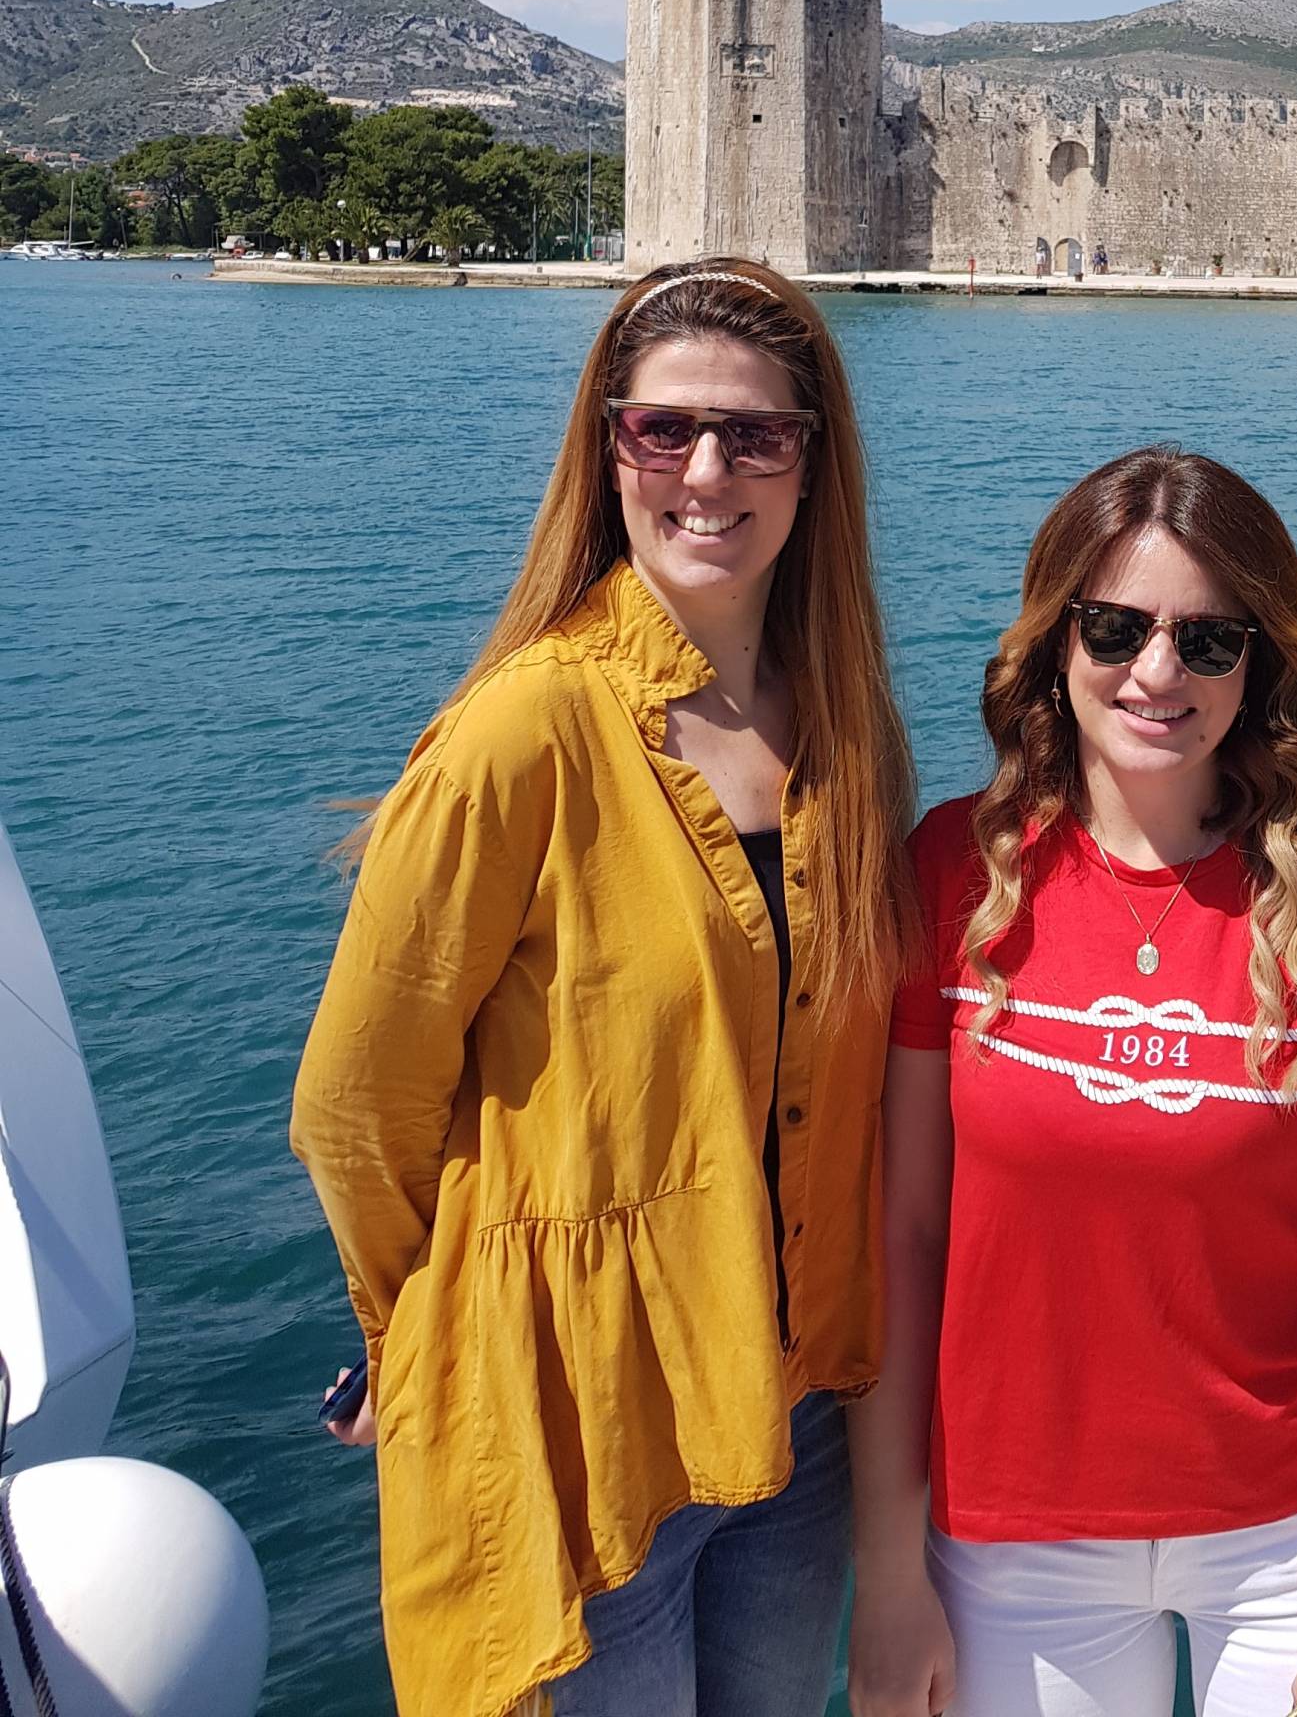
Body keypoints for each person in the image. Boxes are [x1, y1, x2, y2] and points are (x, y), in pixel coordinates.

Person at [292, 259, 916, 1717]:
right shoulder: (525, 732)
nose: (708, 472)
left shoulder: (841, 731)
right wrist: (418, 1338)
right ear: (608, 448)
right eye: (663, 431)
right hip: (590, 1416)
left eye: (756, 435)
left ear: (813, 466)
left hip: (800, 1411)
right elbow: (353, 1104)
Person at [850, 448, 1297, 1717]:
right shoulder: (954, 874)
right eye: (1118, 627)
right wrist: (888, 1572)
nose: (1156, 674)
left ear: (1264, 662)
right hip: (1010, 1544)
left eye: (1208, 640)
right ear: (1055, 638)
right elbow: (903, 1238)